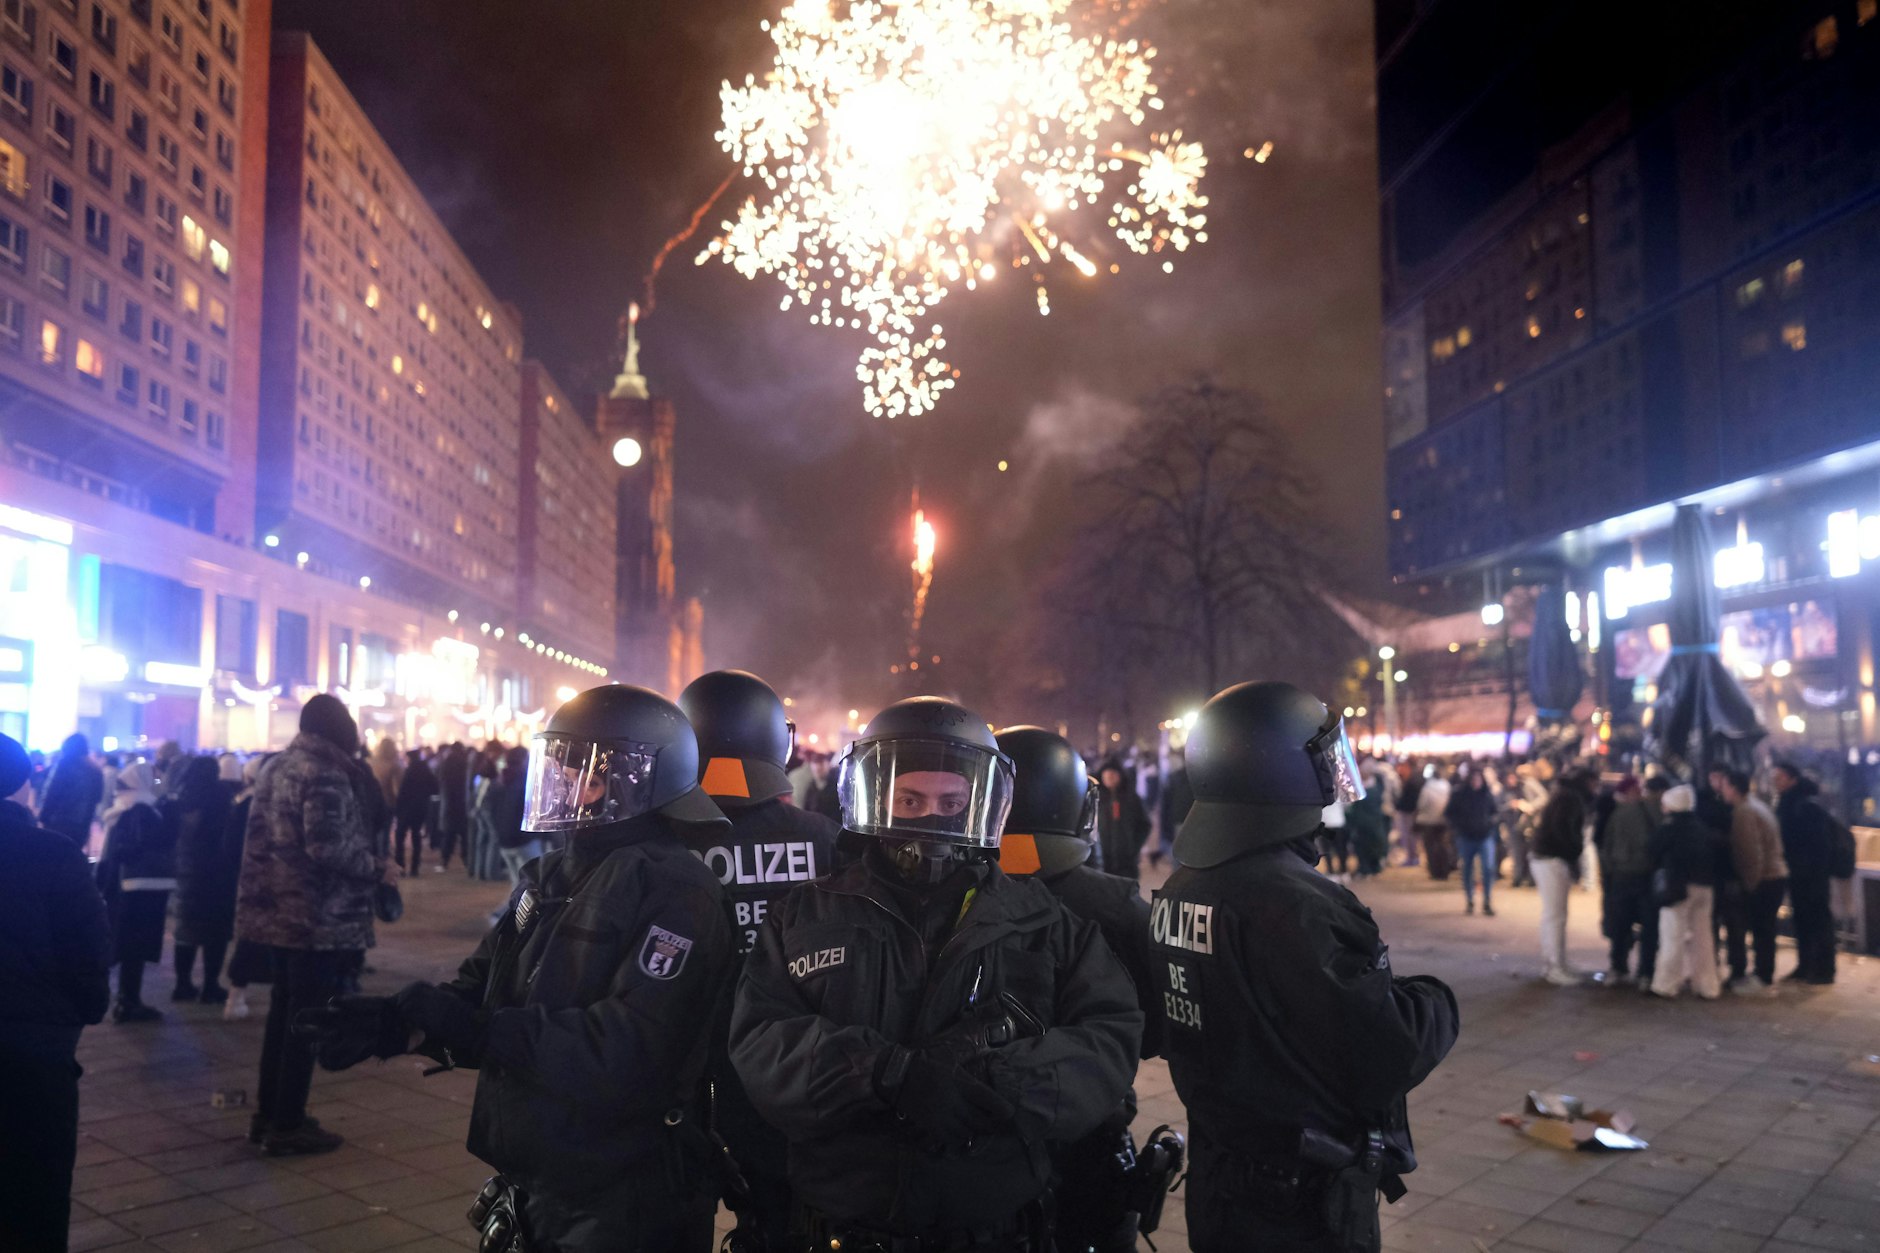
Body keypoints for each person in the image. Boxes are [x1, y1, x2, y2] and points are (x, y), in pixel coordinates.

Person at [307, 682, 739, 1250]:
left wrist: (481, 1032)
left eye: (578, 771)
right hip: (543, 1177)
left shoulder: (679, 890)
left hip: (627, 1194)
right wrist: (403, 1023)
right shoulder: (553, 876)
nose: (561, 784)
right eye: (558, 768)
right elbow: (482, 990)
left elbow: (626, 1049)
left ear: (634, 781)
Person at [731, 696, 1141, 1252]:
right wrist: (885, 1073)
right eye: (910, 799)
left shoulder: (1042, 920)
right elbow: (762, 1042)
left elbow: (1109, 1038)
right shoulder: (805, 914)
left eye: (953, 800)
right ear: (876, 796)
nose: (931, 816)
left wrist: (1001, 1083)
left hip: (996, 1231)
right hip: (842, 1228)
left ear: (984, 801)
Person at [1151, 682, 1458, 1253]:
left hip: (1221, 1178)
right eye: (1323, 759)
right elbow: (1385, 1050)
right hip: (1299, 1202)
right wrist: (1434, 999)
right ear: (1280, 771)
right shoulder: (1300, 903)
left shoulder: (1182, 885)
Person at [676, 669, 840, 1251]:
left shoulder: (663, 845)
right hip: (793, 1077)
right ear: (779, 742)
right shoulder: (826, 838)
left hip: (683, 1079)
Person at [996, 724, 1170, 1253]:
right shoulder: (1116, 905)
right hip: (1091, 1132)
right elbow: (1154, 1032)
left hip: (979, 1143)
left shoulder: (951, 889)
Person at [236, 694, 398, 1155]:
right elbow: (326, 846)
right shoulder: (325, 772)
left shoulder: (277, 766)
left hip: (277, 913)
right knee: (305, 1021)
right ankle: (287, 1123)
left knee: (283, 1016)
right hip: (315, 916)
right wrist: (376, 867)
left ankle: (270, 1114)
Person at [0, 732, 112, 1253]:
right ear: (24, 784)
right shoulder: (54, 855)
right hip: (36, 1053)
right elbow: (87, 954)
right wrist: (78, 1014)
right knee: (36, 1193)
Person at [96, 761, 174, 1023]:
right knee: (136, 945)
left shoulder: (120, 809)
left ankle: (124, 999)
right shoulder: (143, 810)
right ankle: (129, 1001)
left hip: (122, 888)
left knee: (126, 944)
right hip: (143, 888)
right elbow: (151, 843)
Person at [167, 756, 242, 1004]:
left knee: (185, 930)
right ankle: (211, 985)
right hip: (217, 871)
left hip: (188, 868)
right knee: (216, 932)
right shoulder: (220, 794)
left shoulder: (182, 795)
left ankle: (182, 984)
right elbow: (227, 832)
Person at [1648, 785, 1722, 1000]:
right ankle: (1708, 985)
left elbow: (1652, 850)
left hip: (1678, 888)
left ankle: (1666, 984)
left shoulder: (1670, 827)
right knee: (1703, 938)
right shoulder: (1701, 827)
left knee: (1672, 935)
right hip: (1705, 887)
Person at [1719, 768, 1786, 995]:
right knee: (1765, 929)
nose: (1722, 790)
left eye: (1725, 785)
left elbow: (1749, 852)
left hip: (1765, 878)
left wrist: (1750, 883)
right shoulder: (1757, 806)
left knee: (1762, 930)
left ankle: (1762, 977)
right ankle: (1763, 974)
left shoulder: (1744, 812)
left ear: (1734, 788)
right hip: (1774, 875)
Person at [1771, 761, 1837, 986]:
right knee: (1802, 919)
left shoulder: (1805, 805)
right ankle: (1806, 964)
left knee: (1817, 919)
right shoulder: (1789, 803)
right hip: (1798, 872)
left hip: (1811, 874)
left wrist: (1807, 867)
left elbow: (1818, 844)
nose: (1775, 782)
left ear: (1792, 779)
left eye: (1779, 778)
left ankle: (1823, 969)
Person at [1595, 776, 1661, 989]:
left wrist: (1609, 874)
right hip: (1646, 876)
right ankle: (1646, 973)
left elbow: (1606, 846)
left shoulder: (1619, 813)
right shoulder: (1654, 811)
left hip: (1621, 876)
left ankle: (1618, 967)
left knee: (1620, 924)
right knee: (1649, 927)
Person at [1531, 767, 1594, 986]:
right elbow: (1563, 831)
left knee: (1556, 914)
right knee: (1555, 915)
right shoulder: (1569, 799)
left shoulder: (1565, 795)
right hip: (1552, 859)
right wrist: (1573, 853)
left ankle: (1556, 962)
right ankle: (1554, 966)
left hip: (1550, 857)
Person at [223, 755, 268, 1022]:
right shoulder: (263, 805)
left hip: (249, 880)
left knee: (250, 938)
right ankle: (236, 995)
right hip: (262, 881)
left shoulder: (242, 805)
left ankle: (237, 994)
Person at [1444, 766, 1498, 915]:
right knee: (1467, 868)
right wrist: (1459, 827)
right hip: (1466, 837)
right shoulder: (1460, 795)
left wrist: (1490, 824)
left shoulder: (1487, 795)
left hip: (1484, 836)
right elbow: (1449, 813)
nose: (1476, 782)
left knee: (1488, 868)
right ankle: (1470, 899)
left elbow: (1495, 812)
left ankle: (1487, 900)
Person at [38, 732, 103, 848]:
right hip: (82, 824)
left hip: (58, 822)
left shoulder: (64, 765)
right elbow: (97, 798)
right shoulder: (95, 770)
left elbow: (52, 793)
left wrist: (43, 817)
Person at [1095, 756, 1150, 880]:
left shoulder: (1132, 798)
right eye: (1107, 773)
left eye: (1113, 773)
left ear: (1120, 776)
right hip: (1101, 860)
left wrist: (1134, 847)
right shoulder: (1096, 798)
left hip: (1127, 862)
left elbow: (1145, 825)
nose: (1110, 776)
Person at [394, 748, 437, 875]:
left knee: (400, 836)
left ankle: (400, 865)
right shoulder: (426, 770)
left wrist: (398, 808)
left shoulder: (409, 771)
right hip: (421, 807)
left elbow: (403, 792)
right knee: (416, 836)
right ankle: (414, 868)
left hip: (407, 808)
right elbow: (435, 787)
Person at [1346, 767, 1391, 878]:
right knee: (1373, 846)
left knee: (1364, 847)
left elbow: (1353, 809)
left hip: (1363, 824)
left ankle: (1366, 868)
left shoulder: (1361, 791)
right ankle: (1373, 867)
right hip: (1374, 823)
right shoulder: (1378, 789)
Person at [436, 743, 470, 873]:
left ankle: (444, 861)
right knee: (464, 835)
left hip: (449, 803)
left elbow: (441, 782)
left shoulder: (446, 763)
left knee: (449, 834)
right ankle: (467, 860)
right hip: (462, 803)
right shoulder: (464, 763)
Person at [1390, 760, 1421, 868]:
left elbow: (1409, 799)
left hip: (1409, 812)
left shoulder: (1411, 781)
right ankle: (1413, 857)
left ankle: (1412, 857)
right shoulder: (1412, 780)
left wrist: (1399, 805)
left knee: (1409, 836)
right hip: (1410, 811)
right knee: (1410, 836)